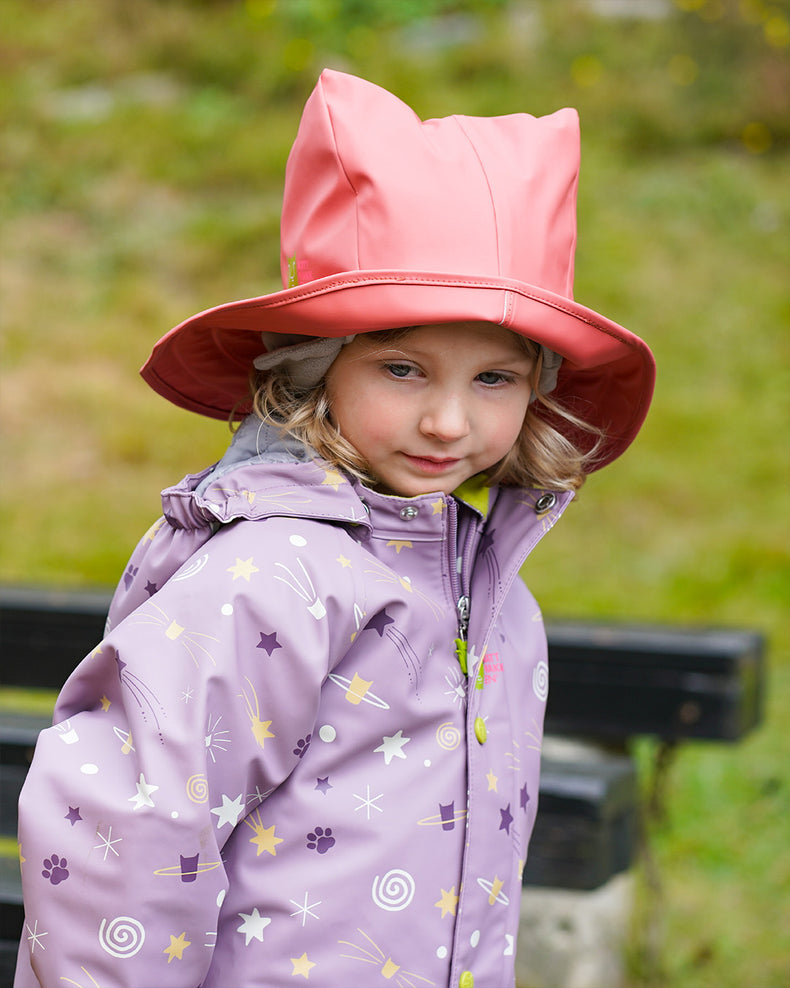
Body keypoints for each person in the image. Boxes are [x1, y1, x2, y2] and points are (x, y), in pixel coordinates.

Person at [15, 69, 654, 988]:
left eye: (493, 380)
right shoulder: (276, 576)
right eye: (402, 369)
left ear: (538, 390)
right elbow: (127, 828)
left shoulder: (493, 594)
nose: (447, 422)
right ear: (315, 368)